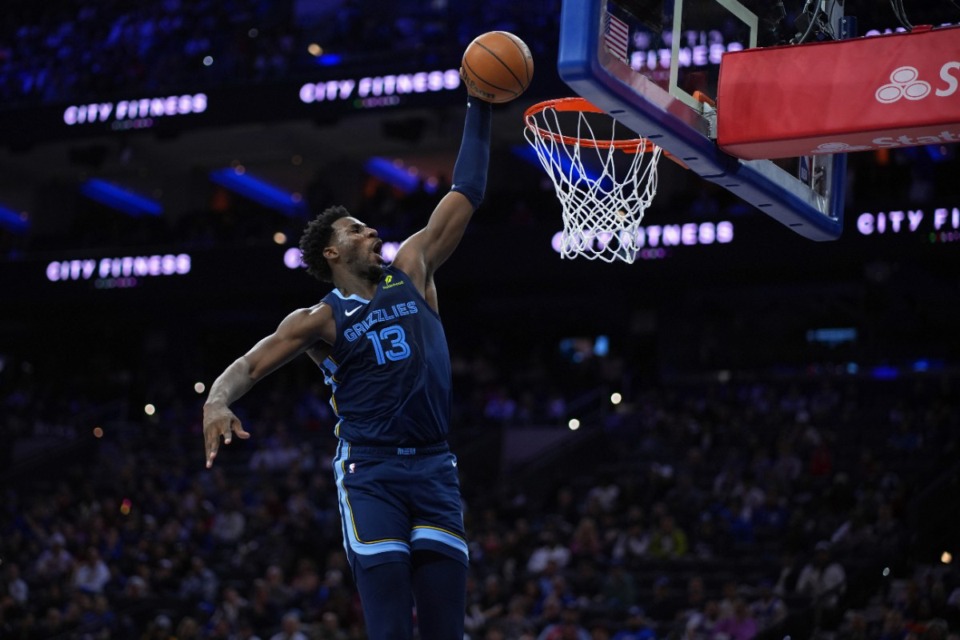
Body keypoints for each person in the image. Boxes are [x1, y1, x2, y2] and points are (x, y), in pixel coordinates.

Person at [201, 77, 493, 640]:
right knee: (390, 630)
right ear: (332, 252)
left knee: (443, 631)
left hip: (435, 465)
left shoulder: (412, 269)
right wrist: (216, 399)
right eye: (357, 230)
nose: (372, 230)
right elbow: (251, 365)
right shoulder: (320, 319)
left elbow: (468, 190)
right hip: (372, 471)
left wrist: (478, 104)